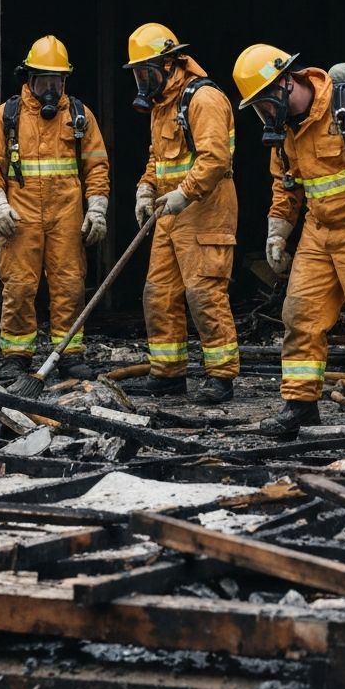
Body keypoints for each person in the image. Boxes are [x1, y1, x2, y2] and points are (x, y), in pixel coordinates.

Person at [232, 44, 345, 436]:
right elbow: (286, 187)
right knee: (300, 318)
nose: (265, 114)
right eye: (258, 108)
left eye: (265, 103)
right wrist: (277, 229)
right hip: (319, 233)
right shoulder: (284, 133)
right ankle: (300, 404)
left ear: (286, 82)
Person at [0, 35, 110, 398]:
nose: (51, 87)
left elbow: (96, 166)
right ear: (29, 77)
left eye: (57, 80)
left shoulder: (80, 117)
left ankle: (69, 352)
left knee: (68, 282)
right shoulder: (7, 116)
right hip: (20, 216)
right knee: (19, 285)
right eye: (44, 79)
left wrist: (97, 207)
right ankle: (17, 355)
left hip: (66, 214)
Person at [125, 22, 239, 404]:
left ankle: (221, 377)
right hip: (169, 212)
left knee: (204, 293)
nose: (143, 81)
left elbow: (215, 158)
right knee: (158, 293)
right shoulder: (162, 106)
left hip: (205, 209)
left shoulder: (203, 99)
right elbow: (158, 157)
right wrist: (146, 188)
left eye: (147, 71)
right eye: (139, 73)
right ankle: (168, 374)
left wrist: (183, 193)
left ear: (171, 62)